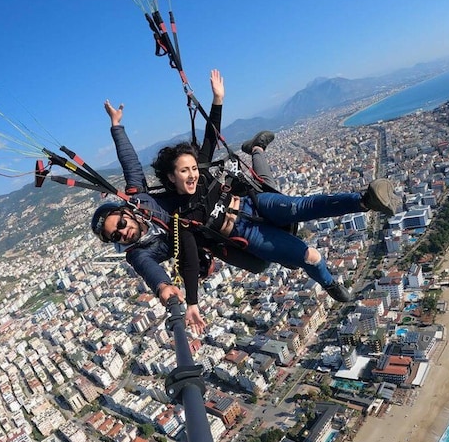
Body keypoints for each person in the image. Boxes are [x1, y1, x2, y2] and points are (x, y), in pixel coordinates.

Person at [151, 69, 399, 330]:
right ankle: (329, 283)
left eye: (193, 168)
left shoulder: (200, 175)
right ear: (171, 176)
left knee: (297, 206)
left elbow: (210, 137)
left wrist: (218, 99)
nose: (191, 175)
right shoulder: (181, 217)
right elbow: (189, 260)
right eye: (183, 171)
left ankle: (365, 200)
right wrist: (192, 302)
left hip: (252, 204)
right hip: (246, 233)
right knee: (311, 257)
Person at [90, 95, 278, 306]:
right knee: (260, 264)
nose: (123, 232)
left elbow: (131, 165)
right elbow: (148, 269)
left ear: (126, 213)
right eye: (116, 235)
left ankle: (256, 149)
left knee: (267, 193)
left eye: (121, 225)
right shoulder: (137, 253)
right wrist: (163, 286)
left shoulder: (140, 199)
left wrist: (116, 125)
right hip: (210, 237)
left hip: (210, 207)